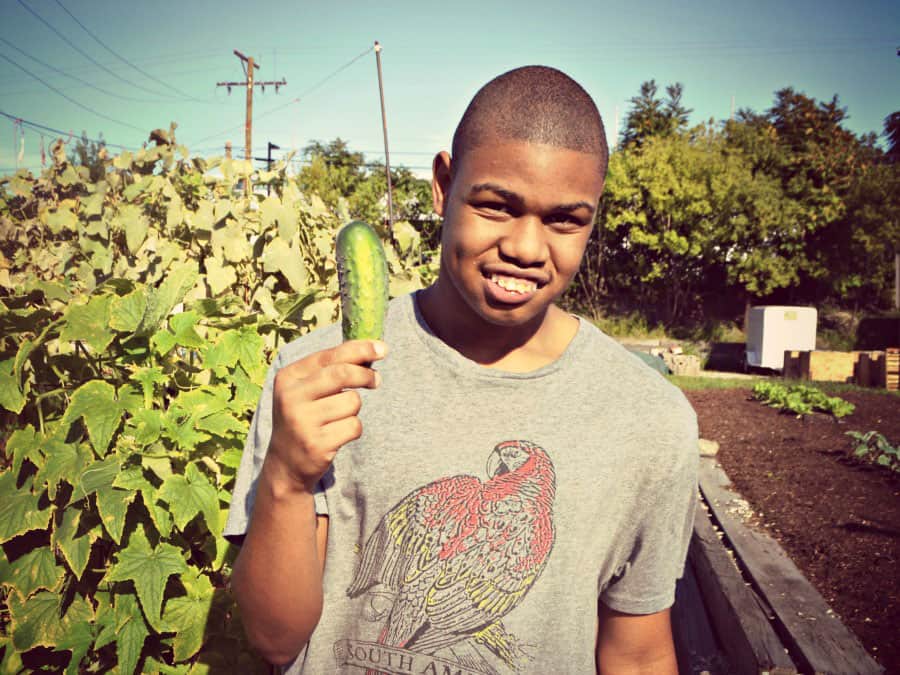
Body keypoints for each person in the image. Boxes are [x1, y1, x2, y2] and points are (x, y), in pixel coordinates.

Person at [225, 65, 698, 674]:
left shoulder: (650, 418)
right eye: (496, 206)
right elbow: (273, 640)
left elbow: (637, 654)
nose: (526, 248)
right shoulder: (321, 380)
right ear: (443, 186)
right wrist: (287, 478)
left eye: (565, 220)